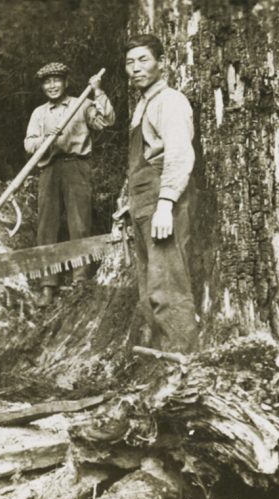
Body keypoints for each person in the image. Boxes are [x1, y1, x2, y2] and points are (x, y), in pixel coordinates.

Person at [116, 34, 198, 353]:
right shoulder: (143, 106)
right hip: (144, 202)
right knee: (150, 289)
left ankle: (182, 362)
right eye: (130, 62)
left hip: (162, 202)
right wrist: (130, 203)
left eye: (144, 60)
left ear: (161, 64)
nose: (135, 68)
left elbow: (178, 153)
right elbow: (145, 159)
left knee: (168, 286)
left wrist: (165, 204)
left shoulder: (170, 101)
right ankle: (163, 362)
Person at [25, 61, 115, 306]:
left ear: (65, 82)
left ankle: (80, 280)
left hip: (77, 166)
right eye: (47, 82)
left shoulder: (82, 104)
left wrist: (98, 92)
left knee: (79, 222)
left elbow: (106, 122)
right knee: (46, 225)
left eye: (57, 80)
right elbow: (29, 144)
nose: (52, 86)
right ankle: (47, 286)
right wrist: (47, 138)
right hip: (49, 169)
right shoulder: (39, 113)